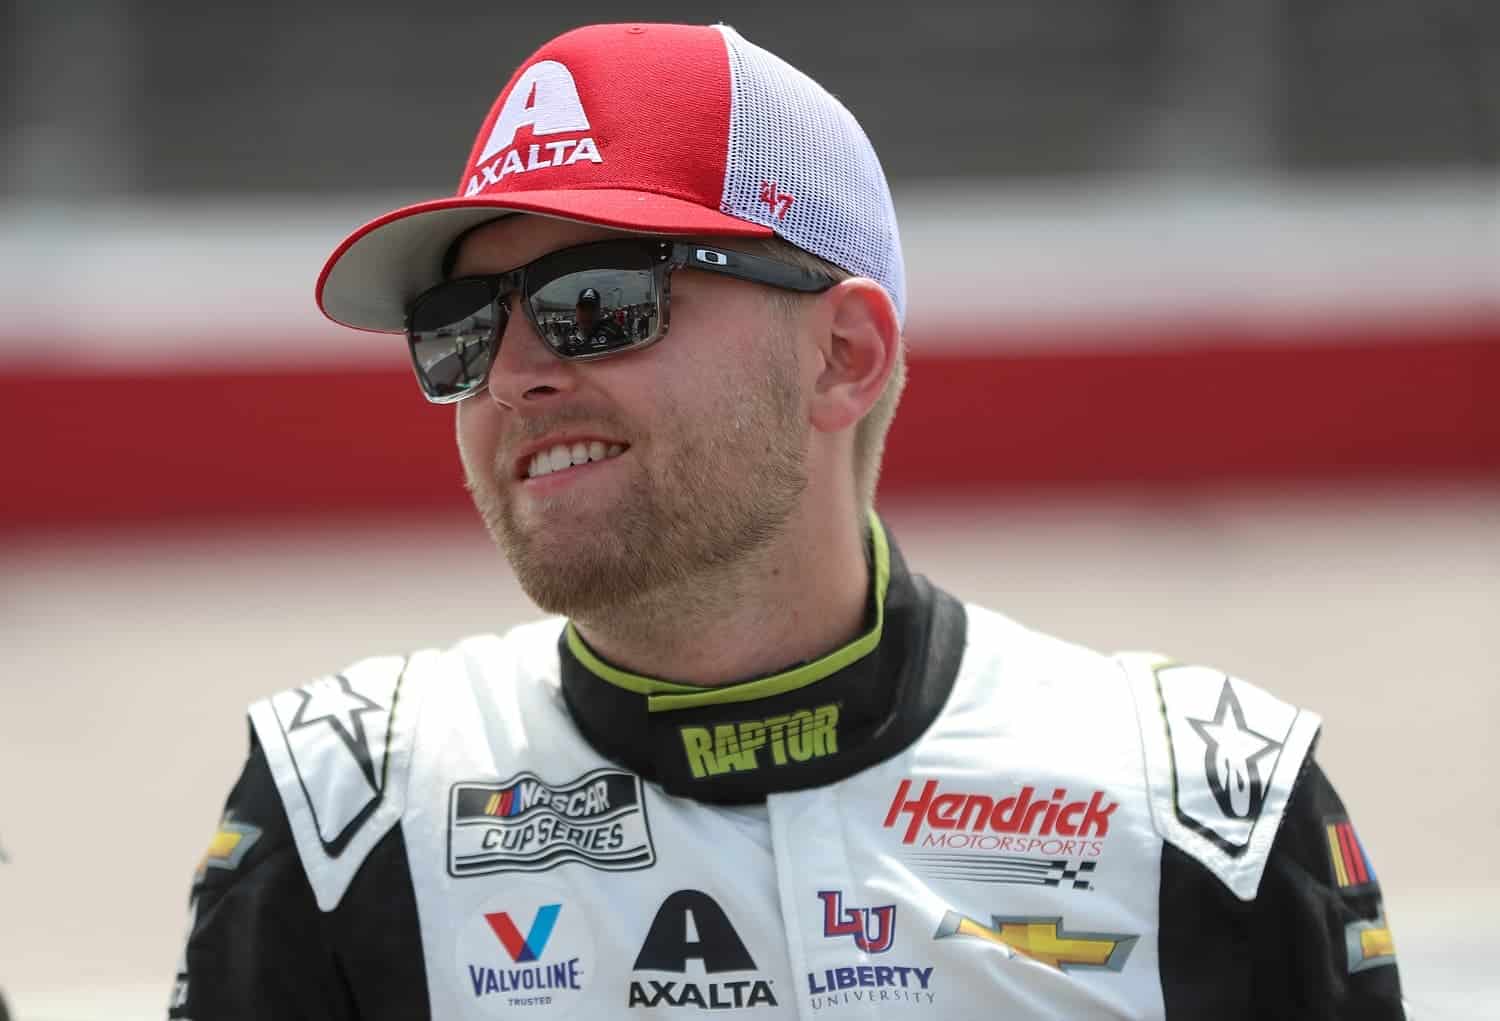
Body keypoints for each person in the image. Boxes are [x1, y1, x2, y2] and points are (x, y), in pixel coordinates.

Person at [171, 22, 1406, 1021]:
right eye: (462, 325)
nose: (514, 375)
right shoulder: (346, 815)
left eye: (598, 300)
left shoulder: (1206, 809)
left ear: (843, 356)